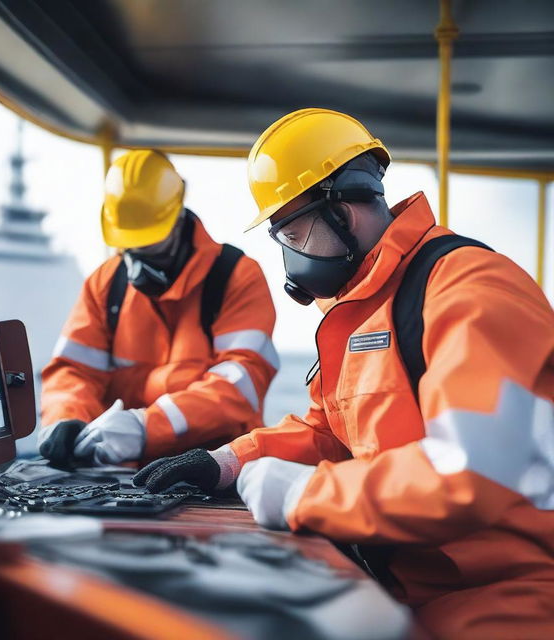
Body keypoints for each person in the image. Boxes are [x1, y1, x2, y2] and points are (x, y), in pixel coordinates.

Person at [134, 109, 554, 638]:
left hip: (504, 601)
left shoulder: (469, 290)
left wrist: (303, 495)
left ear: (342, 211)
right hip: (412, 589)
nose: (289, 253)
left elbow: (468, 471)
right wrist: (227, 462)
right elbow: (330, 432)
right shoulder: (368, 305)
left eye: (292, 230)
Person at [39, 150, 278, 468]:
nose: (140, 254)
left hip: (212, 469)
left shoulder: (236, 275)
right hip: (121, 477)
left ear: (177, 216)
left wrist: (145, 426)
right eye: (131, 243)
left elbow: (240, 384)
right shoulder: (105, 283)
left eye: (152, 240)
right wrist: (65, 418)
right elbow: (73, 371)